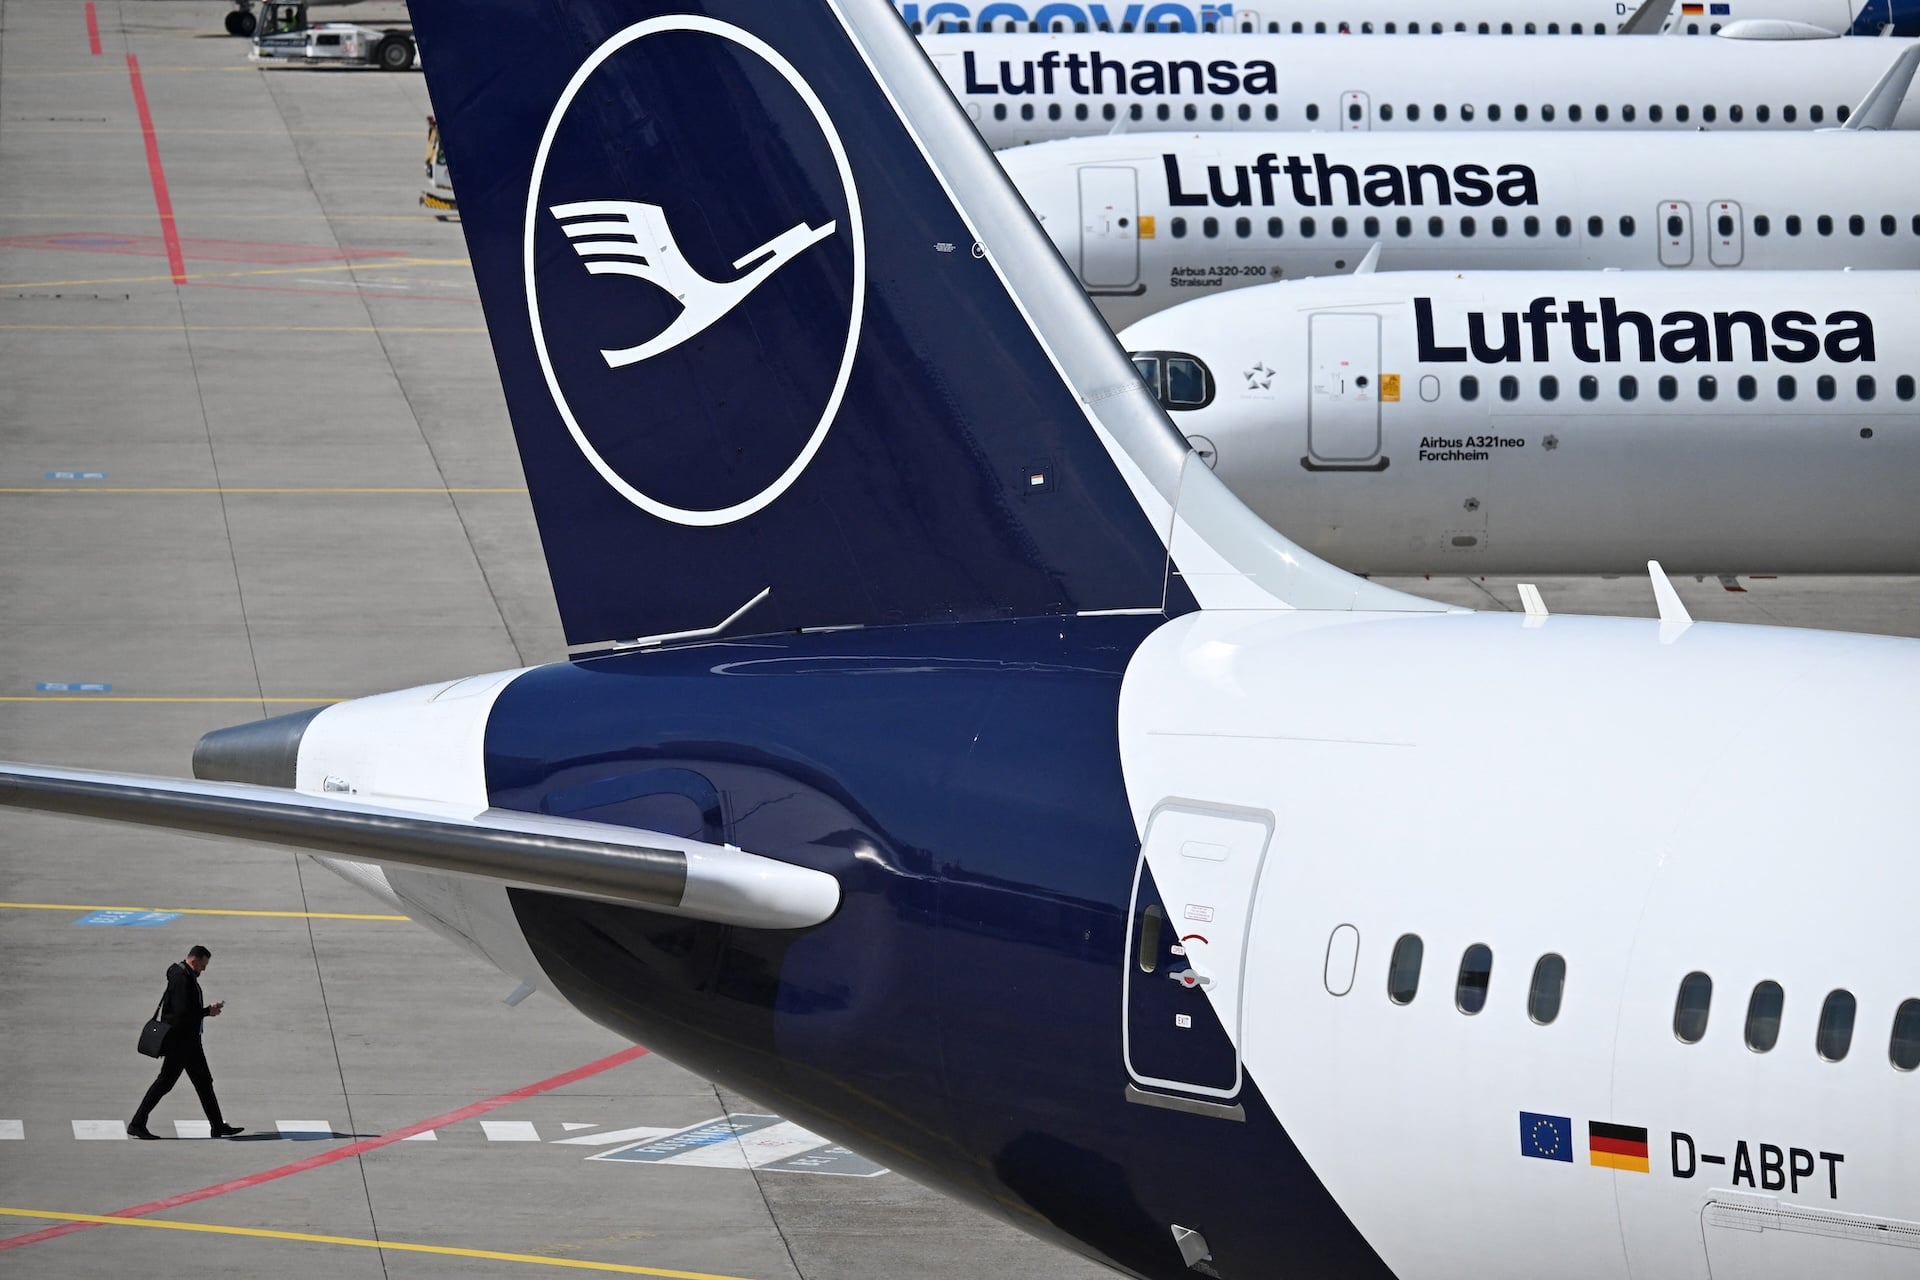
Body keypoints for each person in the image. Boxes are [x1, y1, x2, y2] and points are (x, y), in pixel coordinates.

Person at [128, 945, 243, 1139]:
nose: (203, 969)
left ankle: (217, 1126)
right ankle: (137, 1123)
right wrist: (207, 1011)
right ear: (194, 961)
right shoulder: (182, 979)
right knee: (165, 1082)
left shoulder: (184, 975)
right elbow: (182, 1013)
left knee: (204, 1082)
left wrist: (205, 1011)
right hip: (180, 1043)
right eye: (203, 965)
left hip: (189, 1042)